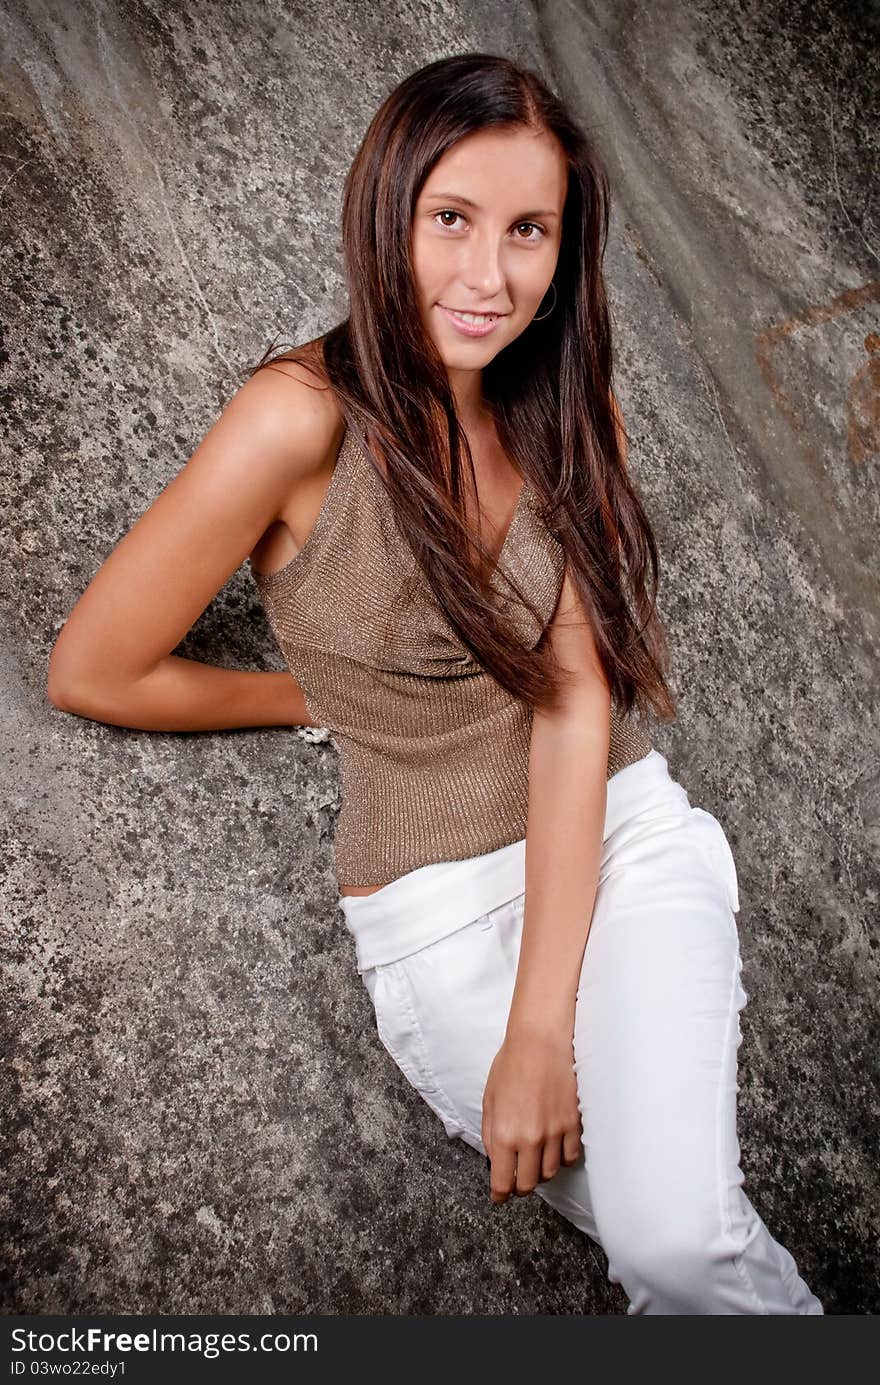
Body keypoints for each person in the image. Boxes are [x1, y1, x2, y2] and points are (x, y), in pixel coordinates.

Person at [47, 52, 824, 1315]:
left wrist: (542, 1029)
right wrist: (316, 699)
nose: (488, 276)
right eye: (451, 219)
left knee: (680, 1249)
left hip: (622, 844)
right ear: (385, 210)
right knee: (690, 1247)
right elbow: (94, 669)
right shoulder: (297, 422)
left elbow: (575, 705)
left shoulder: (565, 405)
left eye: (529, 231)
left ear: (565, 250)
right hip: (438, 917)